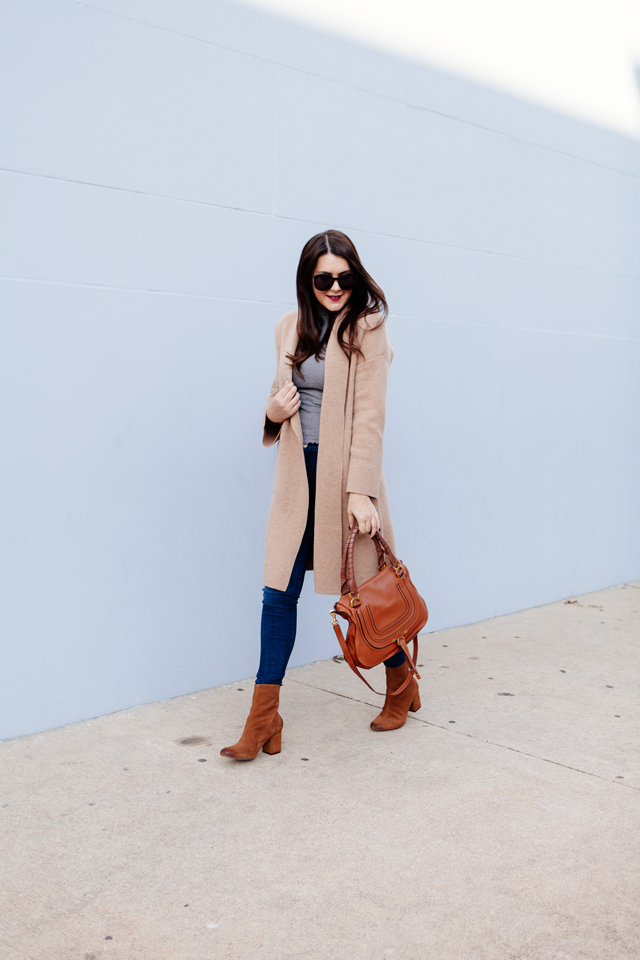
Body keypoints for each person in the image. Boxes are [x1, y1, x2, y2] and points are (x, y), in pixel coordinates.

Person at [221, 230, 420, 760]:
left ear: (356, 276)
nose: (335, 287)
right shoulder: (289, 327)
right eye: (323, 278)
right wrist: (272, 414)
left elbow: (370, 417)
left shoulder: (368, 330)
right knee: (276, 593)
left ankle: (401, 683)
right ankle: (264, 718)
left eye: (344, 277)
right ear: (308, 281)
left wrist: (361, 493)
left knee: (360, 597)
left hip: (344, 481)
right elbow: (278, 399)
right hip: (296, 478)